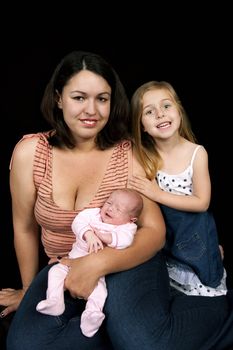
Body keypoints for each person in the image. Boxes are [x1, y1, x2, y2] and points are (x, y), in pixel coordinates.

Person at [0, 51, 232, 350]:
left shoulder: (128, 151)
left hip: (128, 260)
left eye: (102, 99)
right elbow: (25, 228)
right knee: (24, 345)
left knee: (142, 343)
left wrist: (97, 264)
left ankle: (208, 314)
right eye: (79, 97)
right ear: (59, 98)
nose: (91, 110)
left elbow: (154, 232)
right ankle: (111, 324)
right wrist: (29, 289)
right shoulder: (31, 152)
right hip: (66, 263)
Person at [129, 80, 227, 297]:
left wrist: (157, 194)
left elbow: (202, 203)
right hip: (168, 238)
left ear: (179, 111)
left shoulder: (196, 153)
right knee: (168, 286)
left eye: (166, 106)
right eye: (149, 111)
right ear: (141, 125)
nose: (160, 114)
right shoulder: (144, 157)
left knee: (204, 280)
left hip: (194, 233)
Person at [36, 188, 143, 337]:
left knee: (100, 292)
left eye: (118, 209)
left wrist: (107, 238)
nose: (110, 208)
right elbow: (78, 222)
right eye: (109, 202)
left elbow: (126, 240)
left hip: (98, 273)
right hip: (72, 261)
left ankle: (92, 316)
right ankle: (54, 301)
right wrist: (89, 234)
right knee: (55, 272)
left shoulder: (127, 228)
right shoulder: (93, 214)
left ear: (131, 219)